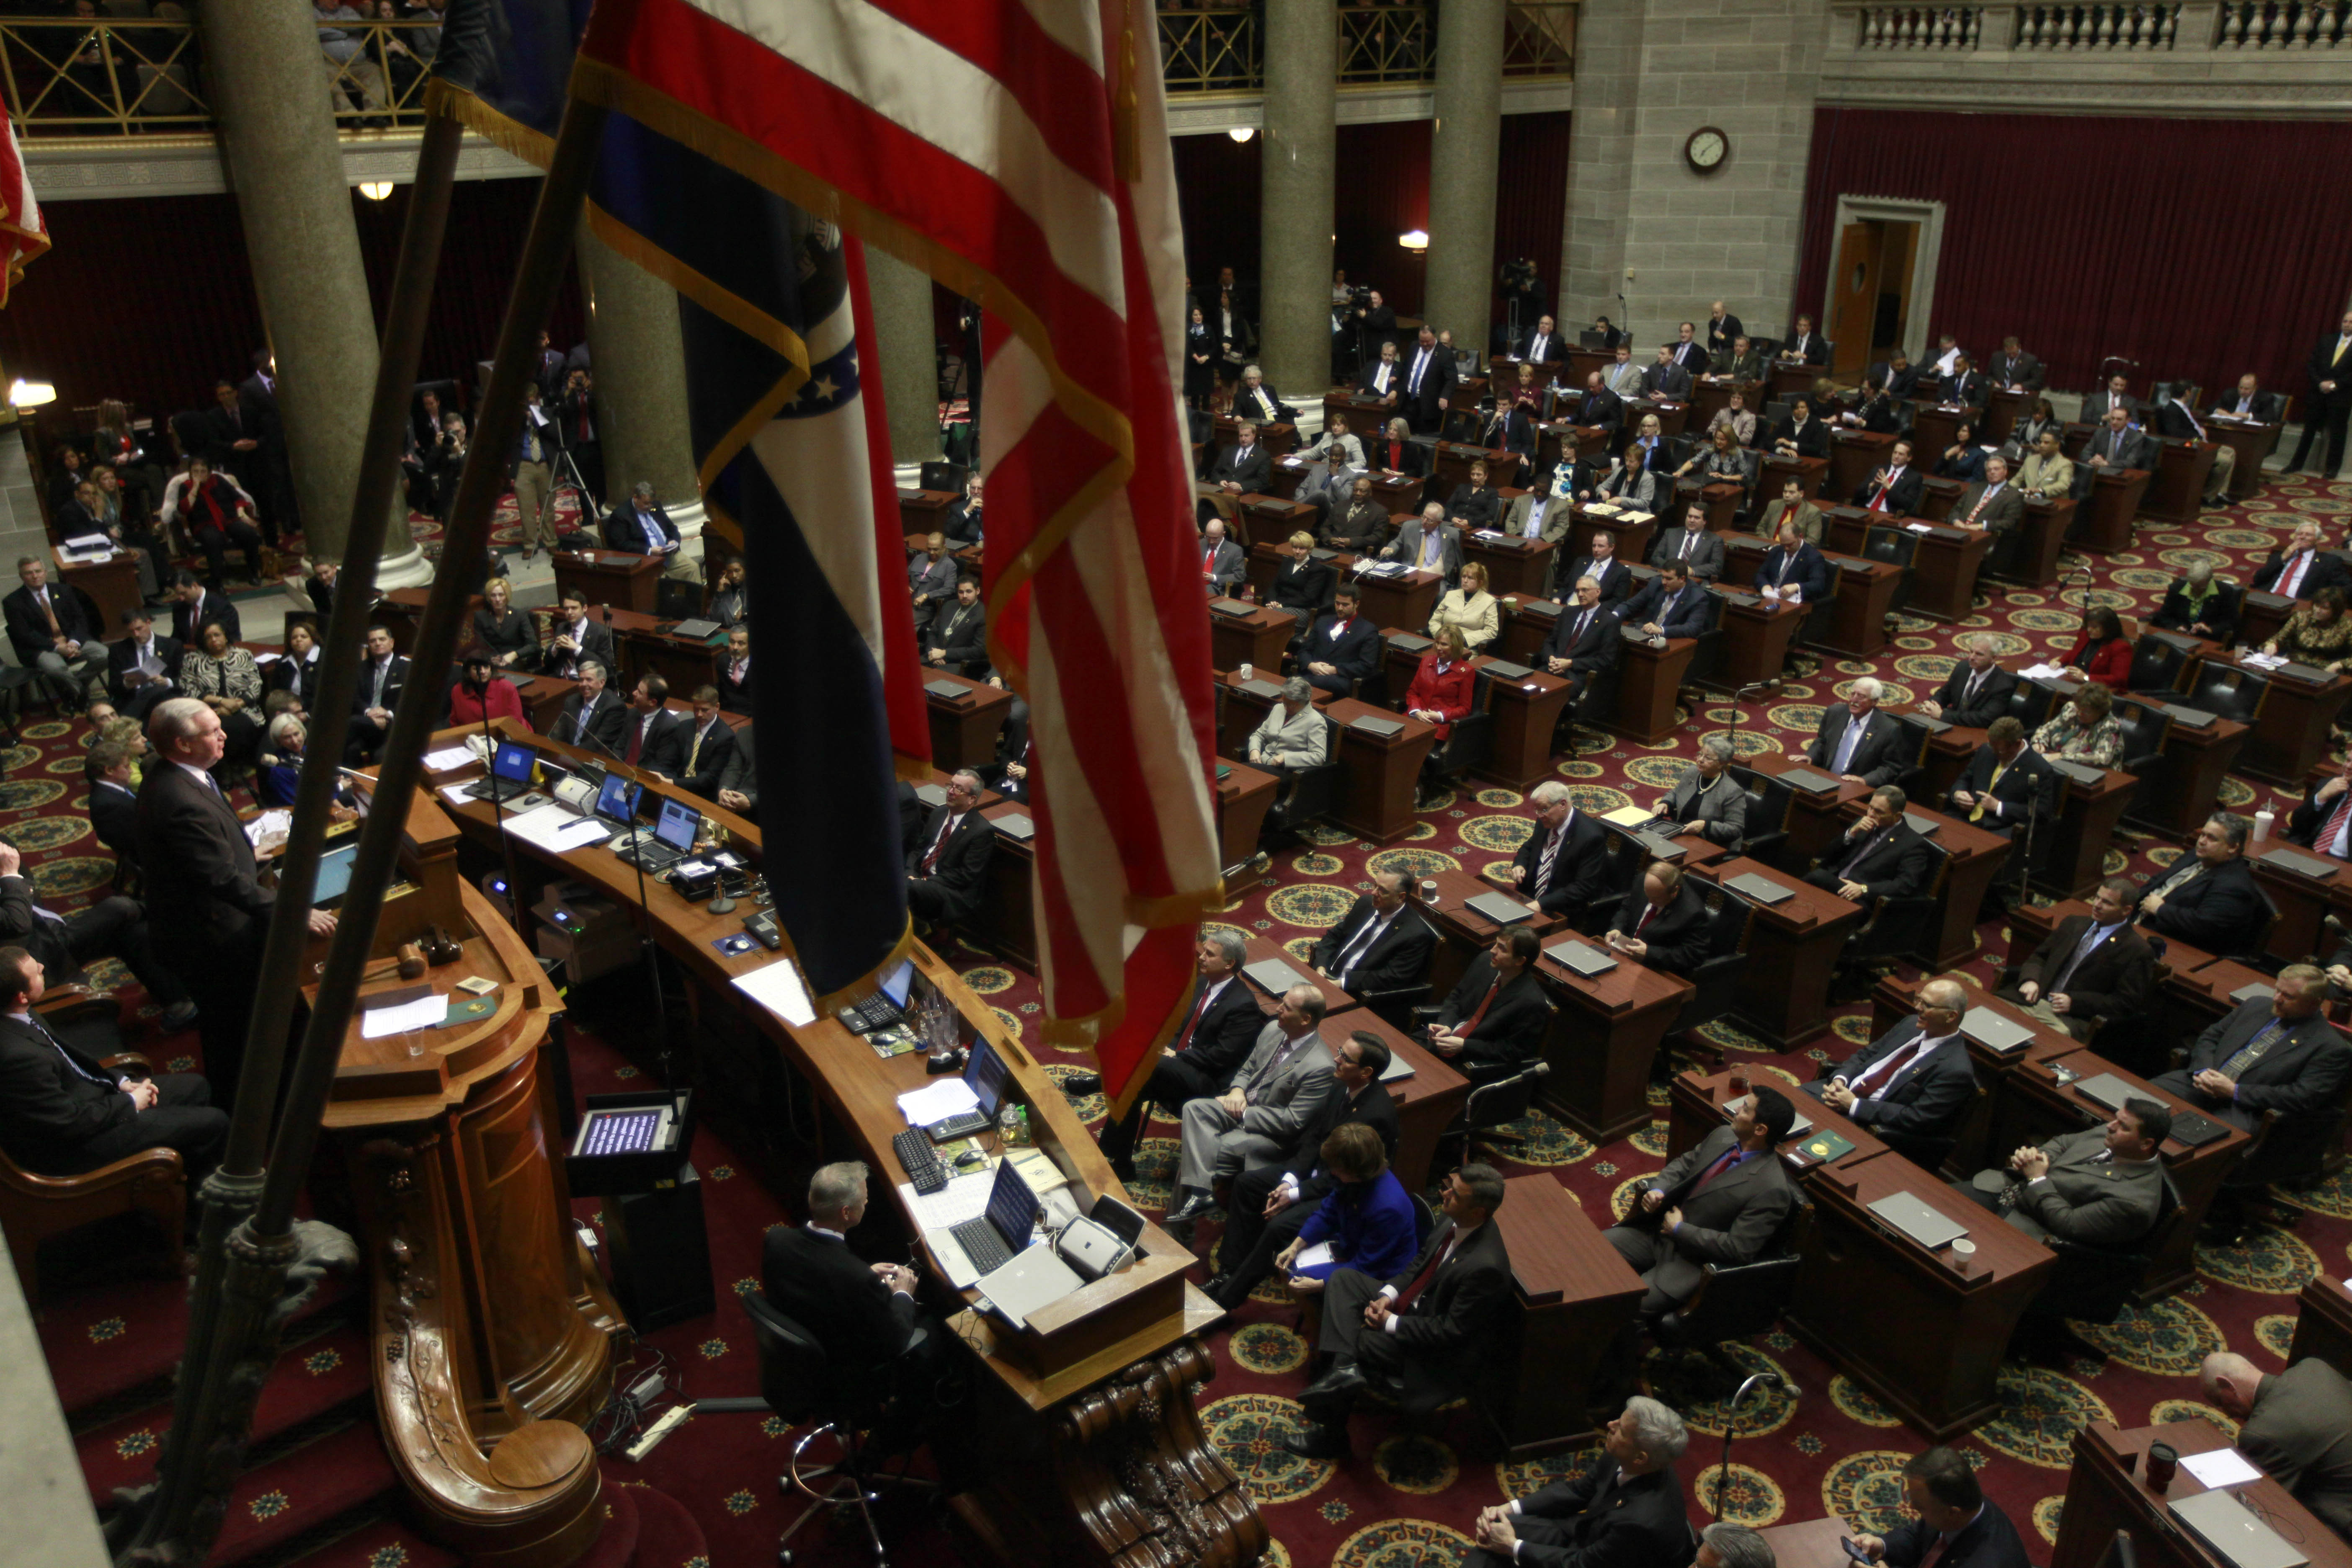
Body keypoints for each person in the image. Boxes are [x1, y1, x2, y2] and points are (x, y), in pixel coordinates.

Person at [138, 699, 337, 1104]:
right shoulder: (180, 799)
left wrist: (247, 853)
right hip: (213, 940)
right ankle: (246, 1118)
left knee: (233, 1027)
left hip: (208, 923)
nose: (224, 735)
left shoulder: (175, 773)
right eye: (212, 731)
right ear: (183, 743)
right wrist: (296, 913)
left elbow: (207, 855)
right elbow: (221, 879)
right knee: (235, 1031)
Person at [1282, 1163, 1512, 1461]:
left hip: (1430, 1352)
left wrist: (1391, 1322)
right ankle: (1343, 1371)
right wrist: (1387, 1296)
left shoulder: (1486, 1267)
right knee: (1344, 1280)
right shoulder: (1453, 1220)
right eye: (1449, 1187)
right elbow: (1419, 1264)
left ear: (1478, 1212)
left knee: (1351, 1337)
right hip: (1410, 1309)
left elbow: (1450, 1331)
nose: (1443, 1195)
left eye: (1455, 1195)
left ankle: (1333, 1435)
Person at [1208, 1031, 1400, 1310]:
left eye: (1345, 1058)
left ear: (1366, 1071)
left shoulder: (1377, 1115)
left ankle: (1227, 1300)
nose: (1336, 1059)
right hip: (1312, 1174)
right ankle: (1230, 1268)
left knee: (1277, 1228)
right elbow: (1314, 1138)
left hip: (1340, 1192)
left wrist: (1296, 1195)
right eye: (1339, 1051)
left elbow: (1351, 1176)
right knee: (1247, 1184)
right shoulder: (1340, 1086)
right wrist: (1290, 1180)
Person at [0, 947, 224, 1180]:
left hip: (89, 1103)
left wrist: (121, 1083)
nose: (42, 967)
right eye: (36, 972)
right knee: (213, 1124)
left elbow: (71, 1063)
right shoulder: (18, 1059)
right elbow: (66, 1124)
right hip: (79, 1147)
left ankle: (183, 1176)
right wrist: (129, 1103)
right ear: (22, 996)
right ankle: (204, 1205)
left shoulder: (17, 1013)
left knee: (196, 1087)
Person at [761, 1161, 952, 1424]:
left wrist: (862, 1274)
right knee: (934, 1331)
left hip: (796, 1360)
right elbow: (896, 1339)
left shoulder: (776, 1239)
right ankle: (897, 1435)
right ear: (847, 1213)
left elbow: (817, 1276)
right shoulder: (856, 1277)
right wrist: (903, 1295)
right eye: (864, 1199)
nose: (868, 1202)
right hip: (843, 1376)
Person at [1605, 1086, 1797, 1316]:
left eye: (1745, 1109)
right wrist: (1660, 1190)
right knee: (1592, 1248)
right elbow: (1683, 1164)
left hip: (1690, 1263)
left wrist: (1680, 1229)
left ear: (1760, 1129)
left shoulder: (1771, 1189)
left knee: (1622, 1304)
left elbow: (1739, 1248)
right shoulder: (1723, 1135)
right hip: (1656, 1235)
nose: (1736, 1109)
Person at [1162, 984, 1334, 1229]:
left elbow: (1293, 1121)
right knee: (1194, 1109)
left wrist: (1244, 1112)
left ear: (1306, 1019)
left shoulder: (1320, 1066)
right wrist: (1237, 1090)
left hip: (1268, 1137)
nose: (1278, 1010)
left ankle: (1175, 1235)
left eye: (1286, 1008)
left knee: (1200, 1150)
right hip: (1240, 1106)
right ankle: (1202, 1195)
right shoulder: (1273, 1030)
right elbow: (1247, 1068)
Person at [1098, 930, 1267, 1179]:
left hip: (1208, 1081)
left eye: (1210, 954)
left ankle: (1100, 1089)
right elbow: (1179, 1026)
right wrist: (1166, 1048)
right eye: (1204, 951)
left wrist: (1177, 1056)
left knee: (1146, 1068)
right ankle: (1121, 1164)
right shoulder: (1202, 983)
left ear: (1230, 963)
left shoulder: (1243, 1006)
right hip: (1175, 1069)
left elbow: (1222, 1056)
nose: (1202, 958)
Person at [0, 836, 195, 1031]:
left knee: (131, 931)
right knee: (120, 909)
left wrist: (13, 878)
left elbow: (23, 877)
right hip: (28, 965)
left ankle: (179, 1006)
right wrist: (9, 875)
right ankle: (184, 913)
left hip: (42, 932)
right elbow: (17, 923)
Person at [1467, 1399, 1692, 1568]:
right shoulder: (1627, 1454)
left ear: (1641, 1458)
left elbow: (1581, 1564)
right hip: (1585, 1532)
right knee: (1491, 1533)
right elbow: (1580, 1491)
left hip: (1591, 1558)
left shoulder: (1641, 1523)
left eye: (1621, 1429)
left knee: (1499, 1548)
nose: (1610, 1425)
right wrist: (1509, 1508)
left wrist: (1512, 1546)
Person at [2154, 965, 2351, 1148]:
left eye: (2288, 996)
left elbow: (2302, 1096)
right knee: (2141, 1103)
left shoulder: (2330, 1046)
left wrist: (2235, 1091)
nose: (2277, 999)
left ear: (2314, 1003)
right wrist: (2204, 1070)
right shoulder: (2256, 1005)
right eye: (2278, 990)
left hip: (2246, 1109)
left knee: (2191, 1146)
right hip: (2200, 1083)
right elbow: (2210, 1037)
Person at [1805, 977, 1978, 1164]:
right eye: (1918, 1000)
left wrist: (1854, 1105)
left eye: (1927, 1005)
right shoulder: (1910, 1024)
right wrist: (1841, 1079)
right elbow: (1866, 1055)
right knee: (1778, 1112)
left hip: (1865, 1123)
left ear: (1951, 1016)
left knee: (1804, 1157)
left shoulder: (1955, 1070)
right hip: (1835, 1093)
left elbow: (1916, 1117)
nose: (1918, 1008)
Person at [1959, 1097, 2169, 1248]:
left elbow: (2068, 1223)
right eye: (2115, 1119)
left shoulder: (2135, 1203)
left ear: (2146, 1144)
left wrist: (2036, 1178)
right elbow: (2063, 1143)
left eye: (2123, 1126)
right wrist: (2035, 1157)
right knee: (1933, 1207)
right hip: (2006, 1189)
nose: (2111, 1127)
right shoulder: (2111, 1135)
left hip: (2030, 1228)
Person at [2200, 1353, 2352, 1542]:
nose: (2227, 1415)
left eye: (2220, 1403)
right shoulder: (2313, 1366)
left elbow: (2258, 1502)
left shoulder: (2263, 1433)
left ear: (2228, 1386)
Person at [1269, 1120, 1416, 1301]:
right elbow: (1327, 1214)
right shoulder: (1351, 1180)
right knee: (1291, 1264)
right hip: (1350, 1248)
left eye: (1337, 1169)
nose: (1332, 1172)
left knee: (1299, 1278)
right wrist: (1296, 1246)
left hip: (1379, 1276)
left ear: (1357, 1172)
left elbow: (1367, 1267)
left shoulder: (1389, 1209)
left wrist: (1320, 1285)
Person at [2000, 878, 2155, 1040]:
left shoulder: (2137, 950)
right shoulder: (2073, 923)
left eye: (2107, 903)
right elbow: (2039, 957)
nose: (2097, 905)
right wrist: (2030, 980)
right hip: (2030, 1000)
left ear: (2126, 910)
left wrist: (2075, 1002)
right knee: (1988, 1013)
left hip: (2068, 1019)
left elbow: (2125, 1002)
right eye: (2097, 898)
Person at [1848, 1447, 2034, 1568]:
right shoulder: (1960, 1504)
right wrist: (1882, 1546)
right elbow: (1920, 1534)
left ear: (1953, 1512)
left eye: (1920, 1507)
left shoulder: (1986, 1562)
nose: (1911, 1507)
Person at [1426, 928, 1550, 1085]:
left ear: (1520, 961)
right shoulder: (1484, 962)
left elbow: (1513, 1051)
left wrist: (1465, 1046)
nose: (1493, 951)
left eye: (1502, 948)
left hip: (1472, 1065)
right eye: (1495, 944)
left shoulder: (1532, 1002)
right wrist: (1446, 1025)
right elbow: (1457, 996)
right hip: (1443, 1042)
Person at [1806, 785, 1935, 913]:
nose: (1871, 814)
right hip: (1835, 882)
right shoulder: (1862, 824)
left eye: (1879, 812)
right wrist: (1851, 834)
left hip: (1862, 900)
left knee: (1818, 876)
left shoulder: (1912, 843)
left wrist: (1864, 889)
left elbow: (1905, 885)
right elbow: (1826, 855)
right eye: (1870, 808)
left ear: (1897, 816)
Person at [2142, 814, 2263, 950]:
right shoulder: (2195, 856)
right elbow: (2159, 880)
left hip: (2172, 942)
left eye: (2212, 838)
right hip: (2141, 918)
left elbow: (2204, 924)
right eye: (2203, 835)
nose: (2202, 841)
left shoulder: (2234, 886)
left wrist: (2160, 909)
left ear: (2233, 848)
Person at [3, 556, 106, 712]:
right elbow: (25, 634)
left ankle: (74, 686)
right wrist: (57, 647)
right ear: (22, 577)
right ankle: (81, 693)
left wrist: (74, 642)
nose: (35, 576)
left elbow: (80, 619)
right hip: (42, 647)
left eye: (38, 571)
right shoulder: (13, 602)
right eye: (29, 573)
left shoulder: (63, 590)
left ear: (45, 572)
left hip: (72, 640)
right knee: (55, 668)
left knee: (104, 654)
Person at [905, 768, 992, 927]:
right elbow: (919, 849)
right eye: (950, 786)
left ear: (972, 799)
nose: (951, 792)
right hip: (919, 877)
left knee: (909, 888)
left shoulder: (981, 831)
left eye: (958, 789)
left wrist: (923, 881)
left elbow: (965, 875)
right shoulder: (939, 813)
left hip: (951, 890)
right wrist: (910, 873)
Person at [160, 458, 266, 587]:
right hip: (204, 525)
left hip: (229, 519)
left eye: (203, 471)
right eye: (195, 472)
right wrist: (196, 487)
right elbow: (184, 509)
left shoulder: (218, 480)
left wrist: (240, 510)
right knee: (213, 539)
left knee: (249, 534)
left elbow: (237, 497)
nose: (199, 475)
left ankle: (254, 572)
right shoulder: (185, 486)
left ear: (210, 473)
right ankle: (217, 581)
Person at [1949, 715, 2056, 837]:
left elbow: (2042, 811)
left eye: (2000, 751)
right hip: (1964, 818)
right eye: (1992, 747)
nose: (1994, 753)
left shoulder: (2040, 769)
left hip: (1998, 830)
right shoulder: (1986, 750)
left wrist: (1999, 807)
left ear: (2017, 744)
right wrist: (1958, 794)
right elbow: (1965, 778)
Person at [181, 621, 265, 776]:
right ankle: (223, 770)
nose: (214, 640)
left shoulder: (243, 655)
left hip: (244, 707)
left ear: (226, 637)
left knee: (244, 724)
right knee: (212, 729)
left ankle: (240, 764)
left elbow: (256, 684)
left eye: (217, 635)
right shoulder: (193, 660)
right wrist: (221, 702)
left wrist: (237, 705)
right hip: (208, 710)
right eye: (208, 637)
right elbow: (189, 690)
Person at [1604, 861, 1710, 977]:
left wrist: (1649, 953)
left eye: (1656, 900)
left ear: (1675, 891)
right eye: (1647, 895)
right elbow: (1627, 908)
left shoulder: (1693, 912)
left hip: (1655, 970)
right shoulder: (1643, 881)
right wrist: (1616, 928)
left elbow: (1693, 955)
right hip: (1623, 957)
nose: (1650, 902)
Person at [2288, 308, 2352, 477]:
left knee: (2337, 433)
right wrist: (2320, 383)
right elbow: (2312, 365)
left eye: (2351, 322)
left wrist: (2335, 385)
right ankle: (2296, 464)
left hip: (2340, 397)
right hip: (2318, 393)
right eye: (2345, 321)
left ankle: (2332, 468)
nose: (2347, 325)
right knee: (2308, 430)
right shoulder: (2327, 340)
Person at [1808, 678, 1906, 786]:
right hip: (1824, 777)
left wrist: (1864, 781)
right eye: (1853, 694)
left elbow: (1891, 767)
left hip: (1856, 787)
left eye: (1861, 696)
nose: (1854, 700)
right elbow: (1822, 742)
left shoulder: (1888, 730)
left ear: (1875, 701)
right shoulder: (1835, 713)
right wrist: (1810, 756)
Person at [1540, 575, 1622, 704]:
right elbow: (1550, 642)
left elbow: (1606, 661)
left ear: (1598, 592)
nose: (1580, 594)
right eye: (1577, 591)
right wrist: (1551, 658)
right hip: (1551, 668)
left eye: (1585, 590)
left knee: (1547, 696)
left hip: (1577, 676)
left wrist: (1570, 663)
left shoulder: (1609, 621)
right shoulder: (1568, 612)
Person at [1653, 736, 1746, 848]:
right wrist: (1666, 803)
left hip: (1708, 844)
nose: (1700, 760)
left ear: (1722, 763)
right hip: (1679, 833)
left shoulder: (1732, 791)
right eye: (1700, 754)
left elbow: (1735, 829)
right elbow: (1676, 792)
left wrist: (1706, 826)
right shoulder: (1692, 772)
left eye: (1708, 758)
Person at [603, 481, 699, 583]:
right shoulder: (621, 514)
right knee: (659, 584)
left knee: (693, 568)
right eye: (646, 503)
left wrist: (674, 541)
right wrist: (649, 550)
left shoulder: (656, 506)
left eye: (651, 503)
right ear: (636, 498)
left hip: (669, 556)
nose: (649, 506)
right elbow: (621, 544)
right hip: (647, 560)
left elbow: (672, 528)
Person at [1299, 586, 1381, 698]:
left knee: (1298, 687)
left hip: (1340, 680)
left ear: (1357, 604)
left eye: (1345, 605)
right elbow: (1304, 650)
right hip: (1312, 673)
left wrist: (1335, 670)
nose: (1340, 608)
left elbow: (1366, 666)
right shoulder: (1323, 621)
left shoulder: (1368, 630)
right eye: (1337, 603)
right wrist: (1310, 665)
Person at [509, 383, 561, 557]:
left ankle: (551, 542)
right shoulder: (516, 418)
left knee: (548, 507)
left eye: (532, 400)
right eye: (526, 401)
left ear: (538, 398)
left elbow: (554, 434)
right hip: (524, 466)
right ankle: (530, 545)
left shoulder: (548, 413)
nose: (529, 404)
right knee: (526, 509)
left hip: (545, 466)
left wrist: (536, 419)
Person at [346, 625, 410, 764]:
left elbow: (411, 701)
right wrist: (370, 712)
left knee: (379, 756)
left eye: (382, 639)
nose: (378, 643)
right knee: (351, 750)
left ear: (391, 642)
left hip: (393, 726)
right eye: (373, 641)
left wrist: (389, 713)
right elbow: (354, 697)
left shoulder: (407, 668)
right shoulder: (362, 668)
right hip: (367, 723)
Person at [107, 609, 184, 723]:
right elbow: (113, 687)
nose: (136, 635)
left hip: (164, 696)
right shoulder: (118, 650)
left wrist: (167, 682)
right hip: (132, 698)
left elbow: (186, 678)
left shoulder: (172, 646)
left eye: (139, 629)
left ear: (148, 623)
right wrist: (127, 684)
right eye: (131, 631)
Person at [1923, 635, 2018, 727]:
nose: (1972, 657)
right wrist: (1931, 705)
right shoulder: (1963, 668)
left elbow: (1984, 719)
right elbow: (1944, 694)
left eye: (1979, 654)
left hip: (1976, 731)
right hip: (1953, 722)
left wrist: (1942, 715)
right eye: (1971, 652)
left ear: (1994, 658)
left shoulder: (2003, 686)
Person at [1246, 677, 1328, 774]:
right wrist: (1254, 750)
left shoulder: (1316, 721)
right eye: (1284, 703)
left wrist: (1286, 757)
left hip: (1285, 770)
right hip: (1263, 763)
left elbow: (1319, 757)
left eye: (1290, 705)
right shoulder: (1278, 709)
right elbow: (1259, 735)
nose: (1285, 707)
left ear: (1302, 702)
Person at [2031, 682, 2124, 767]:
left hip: (2094, 771)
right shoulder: (2072, 709)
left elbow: (2101, 758)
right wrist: (2039, 742)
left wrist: (2062, 756)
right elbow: (2046, 729)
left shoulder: (2110, 726)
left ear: (2100, 712)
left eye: (2086, 712)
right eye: (2079, 708)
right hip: (2057, 762)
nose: (2080, 713)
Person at [2253, 520, 2349, 601]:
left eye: (2308, 535)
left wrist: (2325, 599)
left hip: (2300, 604)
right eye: (2300, 534)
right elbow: (2258, 579)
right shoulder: (2280, 556)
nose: (2302, 537)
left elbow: (2348, 587)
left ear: (2318, 540)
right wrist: (2282, 558)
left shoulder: (2329, 562)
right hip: (2269, 597)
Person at [551, 658, 628, 756]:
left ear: (602, 683)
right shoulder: (572, 701)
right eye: (581, 680)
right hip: (567, 755)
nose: (584, 684)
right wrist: (553, 751)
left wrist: (570, 755)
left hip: (594, 759)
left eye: (589, 680)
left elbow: (599, 743)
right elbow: (559, 733)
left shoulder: (614, 707)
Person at [1623, 560, 1713, 642]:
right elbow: (1631, 605)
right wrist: (1615, 615)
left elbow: (1693, 628)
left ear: (1682, 579)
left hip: (1671, 640)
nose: (1664, 582)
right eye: (1663, 577)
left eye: (1669, 579)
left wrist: (1661, 630)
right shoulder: (1656, 584)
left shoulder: (1698, 598)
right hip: (1644, 634)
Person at [2269, 585, 2352, 671]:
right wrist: (2272, 644)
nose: (2318, 610)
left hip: (2325, 670)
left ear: (2336, 611)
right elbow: (2279, 638)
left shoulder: (2347, 626)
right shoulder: (2301, 617)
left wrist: (2339, 664)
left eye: (2324, 608)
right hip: (2294, 664)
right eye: (2316, 605)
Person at [2152, 560, 2237, 643]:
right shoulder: (2176, 589)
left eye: (2200, 588)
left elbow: (2232, 621)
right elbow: (2164, 616)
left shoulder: (2224, 592)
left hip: (2207, 640)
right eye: (2193, 587)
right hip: (2178, 637)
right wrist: (2177, 627)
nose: (2196, 591)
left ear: (2209, 581)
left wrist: (2211, 629)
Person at [544, 589, 618, 681]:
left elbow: (605, 665)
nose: (570, 612)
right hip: (559, 678)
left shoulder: (599, 631)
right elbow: (547, 662)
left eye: (574, 608)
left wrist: (577, 649)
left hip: (583, 681)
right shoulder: (562, 627)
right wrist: (555, 648)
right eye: (566, 609)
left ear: (585, 608)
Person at [921, 576, 988, 678]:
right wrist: (933, 653)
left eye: (969, 592)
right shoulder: (949, 605)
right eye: (961, 592)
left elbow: (979, 650)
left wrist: (945, 653)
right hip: (933, 658)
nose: (964, 596)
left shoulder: (983, 615)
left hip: (956, 664)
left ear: (978, 591)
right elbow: (932, 633)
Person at [1427, 559, 1499, 652]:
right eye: (1464, 577)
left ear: (1480, 582)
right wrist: (1443, 637)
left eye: (1470, 578)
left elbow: (1491, 631)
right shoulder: (1451, 595)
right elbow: (1434, 621)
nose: (1465, 581)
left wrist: (1464, 640)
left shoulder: (1489, 601)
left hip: (1465, 648)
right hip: (1441, 645)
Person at [1756, 517, 1829, 608]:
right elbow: (1761, 574)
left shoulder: (1813, 557)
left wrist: (1797, 587)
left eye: (1790, 545)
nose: (1786, 548)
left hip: (1792, 605)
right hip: (1769, 599)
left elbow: (1818, 585)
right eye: (1784, 545)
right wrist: (1764, 586)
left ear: (1800, 537)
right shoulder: (1776, 551)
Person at [1386, 501, 1464, 584]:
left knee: (1440, 593)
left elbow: (1447, 565)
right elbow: (1398, 543)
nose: (1424, 522)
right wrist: (1391, 549)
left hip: (1434, 577)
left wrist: (1422, 574)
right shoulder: (1409, 527)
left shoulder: (1450, 535)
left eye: (1429, 521)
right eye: (1423, 517)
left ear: (1439, 523)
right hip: (1408, 574)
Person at [472, 576, 538, 671]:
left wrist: (515, 655)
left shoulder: (519, 615)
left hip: (514, 659)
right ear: (489, 598)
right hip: (490, 660)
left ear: (507, 596)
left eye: (501, 595)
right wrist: (490, 658)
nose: (498, 599)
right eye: (493, 596)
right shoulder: (481, 617)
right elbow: (479, 645)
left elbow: (533, 645)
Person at [1267, 531, 1336, 622]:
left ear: (1310, 550)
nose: (1297, 552)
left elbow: (1308, 597)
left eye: (1302, 549)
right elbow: (1275, 585)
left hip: (1302, 609)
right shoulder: (1288, 562)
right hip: (1278, 605)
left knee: (1271, 617)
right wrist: (1272, 601)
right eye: (1295, 547)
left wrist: (1282, 605)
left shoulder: (1317, 569)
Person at [1648, 503, 1726, 582]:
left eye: (1697, 518)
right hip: (1667, 577)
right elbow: (1656, 557)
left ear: (1705, 521)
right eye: (1690, 516)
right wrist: (1672, 569)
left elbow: (1717, 566)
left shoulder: (1715, 540)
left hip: (1693, 581)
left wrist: (1693, 571)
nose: (1692, 520)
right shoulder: (1671, 533)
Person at [2079, 406, 2153, 489]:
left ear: (2128, 421)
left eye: (2119, 419)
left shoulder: (2136, 438)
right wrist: (2091, 460)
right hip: (2097, 471)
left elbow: (2131, 462)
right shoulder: (2100, 433)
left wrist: (2107, 463)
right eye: (2112, 419)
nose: (2114, 422)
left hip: (2118, 476)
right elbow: (2085, 453)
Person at [2064, 604, 2134, 691]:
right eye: (2088, 626)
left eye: (2094, 627)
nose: (2089, 630)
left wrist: (2086, 678)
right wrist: (2060, 662)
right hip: (2074, 682)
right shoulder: (2085, 635)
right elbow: (2075, 652)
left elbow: (2118, 679)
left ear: (2108, 629)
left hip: (2100, 691)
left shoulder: (2121, 648)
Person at [1403, 325, 1457, 433]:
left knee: (1424, 438)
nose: (1425, 344)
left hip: (1428, 405)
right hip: (1409, 401)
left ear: (1434, 338)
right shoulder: (1414, 346)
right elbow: (1406, 368)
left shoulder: (1445, 354)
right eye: (1422, 341)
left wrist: (1445, 396)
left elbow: (1452, 379)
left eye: (1428, 341)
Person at [1952, 455, 2020, 538]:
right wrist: (1956, 521)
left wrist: (1981, 526)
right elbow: (1956, 509)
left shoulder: (2014, 495)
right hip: (1958, 531)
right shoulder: (1975, 488)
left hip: (1985, 537)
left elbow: (2009, 523)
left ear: (2005, 471)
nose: (1992, 472)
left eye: (1996, 469)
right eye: (1989, 470)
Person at [1323, 476, 1392, 555]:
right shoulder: (1340, 505)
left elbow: (1377, 537)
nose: (1358, 494)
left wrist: (1351, 542)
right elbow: (1325, 527)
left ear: (1370, 493)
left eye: (1363, 491)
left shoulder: (1379, 511)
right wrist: (1330, 539)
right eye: (1355, 490)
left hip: (1355, 552)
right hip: (1331, 548)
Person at [1855, 439, 1925, 515]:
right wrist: (1870, 487)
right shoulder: (1879, 469)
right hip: (1866, 509)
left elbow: (1908, 504)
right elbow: (1858, 493)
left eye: (1901, 454)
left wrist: (1889, 487)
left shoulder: (1914, 478)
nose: (1896, 456)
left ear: (1909, 458)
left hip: (1887, 515)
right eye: (1895, 453)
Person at [907, 531, 957, 632]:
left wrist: (927, 595)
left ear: (944, 547)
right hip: (907, 601)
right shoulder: (919, 558)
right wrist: (906, 586)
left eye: (936, 549)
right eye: (929, 549)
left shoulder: (950, 566)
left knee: (904, 623)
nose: (932, 552)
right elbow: (905, 576)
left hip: (925, 608)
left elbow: (949, 589)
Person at [1755, 476, 1823, 546]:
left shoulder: (1812, 512)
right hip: (1768, 547)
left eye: (1792, 492)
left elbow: (1813, 540)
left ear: (1801, 494)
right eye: (1785, 492)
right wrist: (1769, 543)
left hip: (1793, 552)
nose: (1787, 495)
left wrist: (1786, 546)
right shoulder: (1774, 505)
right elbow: (1760, 529)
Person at [256, 713, 305, 808]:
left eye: (296, 734)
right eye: (287, 737)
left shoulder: (308, 750)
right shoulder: (279, 770)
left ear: (303, 732)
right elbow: (299, 805)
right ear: (279, 741)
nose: (294, 741)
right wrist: (338, 786)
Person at [1445, 459, 1501, 531]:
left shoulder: (1492, 492)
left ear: (1486, 476)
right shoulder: (1462, 488)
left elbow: (1490, 515)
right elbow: (1449, 506)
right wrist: (1452, 518)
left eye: (1479, 475)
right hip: (1454, 524)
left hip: (1475, 527)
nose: (1475, 478)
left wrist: (1470, 521)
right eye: (1473, 474)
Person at [2019, 429, 2074, 500]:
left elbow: (2063, 485)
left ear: (2057, 445)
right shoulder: (2030, 460)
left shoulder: (2065, 464)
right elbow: (2017, 481)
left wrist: (2040, 490)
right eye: (2040, 442)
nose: (2042, 445)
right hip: (2029, 501)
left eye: (2046, 443)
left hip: (2052, 503)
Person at [1771, 396, 1829, 460]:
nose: (1800, 410)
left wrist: (1791, 444)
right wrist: (1782, 450)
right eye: (1797, 408)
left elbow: (1816, 448)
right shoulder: (1786, 421)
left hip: (1808, 459)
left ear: (1808, 409)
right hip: (1786, 458)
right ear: (1793, 410)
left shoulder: (1816, 424)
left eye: (1803, 407)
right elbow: (1769, 441)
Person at [716, 625, 753, 714]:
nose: (735, 647)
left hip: (749, 717)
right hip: (726, 713)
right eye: (732, 642)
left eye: (741, 643)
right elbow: (721, 688)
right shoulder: (723, 661)